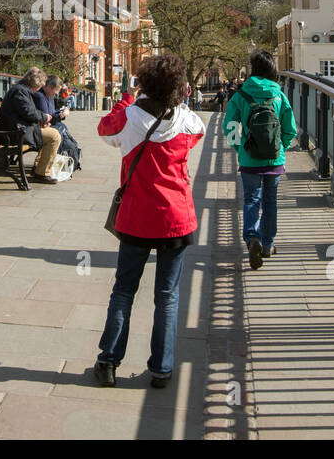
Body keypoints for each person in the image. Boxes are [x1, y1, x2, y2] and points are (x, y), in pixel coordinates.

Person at [94, 54, 206, 389]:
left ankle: (109, 362)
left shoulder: (129, 118)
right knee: (167, 296)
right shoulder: (187, 122)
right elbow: (198, 129)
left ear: (142, 83)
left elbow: (104, 130)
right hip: (176, 217)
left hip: (137, 217)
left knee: (124, 290)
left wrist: (129, 98)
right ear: (178, 88)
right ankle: (161, 368)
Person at [223, 50, 297, 270]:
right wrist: (280, 148)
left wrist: (240, 148)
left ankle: (251, 238)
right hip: (275, 160)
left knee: (251, 200)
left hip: (249, 160)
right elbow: (290, 129)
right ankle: (267, 244)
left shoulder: (241, 94)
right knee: (270, 201)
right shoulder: (279, 95)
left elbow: (230, 127)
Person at [0, 67, 62, 185]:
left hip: (17, 128)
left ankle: (39, 168)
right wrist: (44, 117)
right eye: (39, 86)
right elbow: (28, 112)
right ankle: (42, 173)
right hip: (14, 133)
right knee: (54, 136)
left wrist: (41, 120)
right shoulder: (20, 91)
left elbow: (27, 112)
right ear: (34, 83)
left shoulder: (21, 89)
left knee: (49, 132)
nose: (38, 90)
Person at [42, 75, 82, 171]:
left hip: (46, 125)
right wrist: (61, 115)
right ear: (49, 87)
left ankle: (64, 158)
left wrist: (60, 112)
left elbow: (50, 115)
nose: (56, 94)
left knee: (62, 127)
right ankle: (54, 163)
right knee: (58, 133)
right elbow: (47, 119)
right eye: (56, 90)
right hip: (38, 128)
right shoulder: (41, 96)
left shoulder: (50, 96)